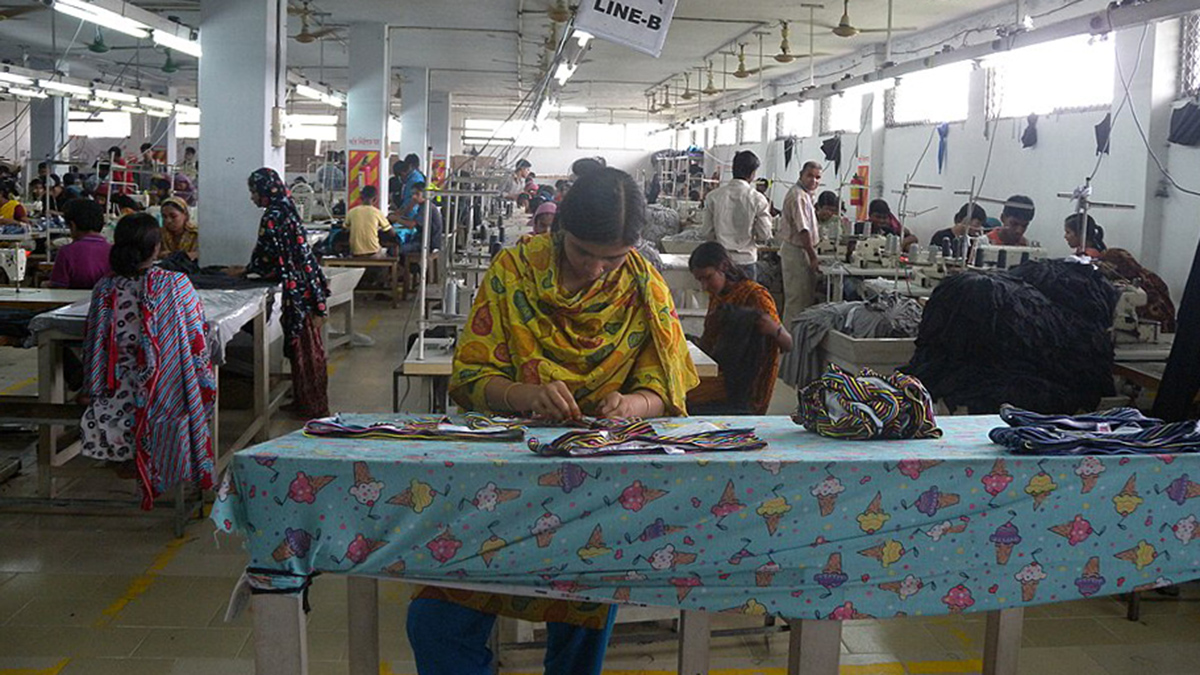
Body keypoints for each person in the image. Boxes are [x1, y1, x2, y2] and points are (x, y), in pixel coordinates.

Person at [408, 167, 699, 675]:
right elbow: (471, 376)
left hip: (596, 482)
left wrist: (631, 405)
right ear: (562, 228)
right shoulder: (515, 272)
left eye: (614, 258)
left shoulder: (642, 286)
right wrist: (525, 395)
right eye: (584, 252)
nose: (597, 269)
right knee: (436, 620)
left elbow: (666, 389)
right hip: (502, 478)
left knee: (583, 617)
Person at [80, 212, 215, 510]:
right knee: (187, 387)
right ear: (156, 248)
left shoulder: (105, 288)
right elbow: (197, 336)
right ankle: (166, 467)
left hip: (113, 399)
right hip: (164, 396)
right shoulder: (175, 285)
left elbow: (92, 343)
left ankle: (128, 461)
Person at [245, 167, 330, 418]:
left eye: (254, 191)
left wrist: (247, 271)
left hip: (298, 291)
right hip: (307, 285)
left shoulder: (272, 215)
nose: (252, 197)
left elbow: (267, 256)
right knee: (305, 350)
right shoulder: (287, 208)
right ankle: (307, 401)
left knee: (304, 350)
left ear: (265, 190)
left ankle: (313, 408)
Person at [687, 242, 792, 415]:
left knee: (678, 397)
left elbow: (788, 344)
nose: (704, 286)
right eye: (700, 280)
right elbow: (709, 342)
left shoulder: (756, 296)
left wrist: (774, 329)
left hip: (746, 390)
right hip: (724, 375)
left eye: (708, 277)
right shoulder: (718, 296)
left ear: (724, 266)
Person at [699, 150, 772, 274]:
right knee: (747, 288)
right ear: (752, 174)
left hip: (721, 260)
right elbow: (764, 234)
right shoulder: (758, 199)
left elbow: (706, 232)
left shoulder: (713, 196)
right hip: (746, 260)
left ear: (733, 169)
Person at [779, 161, 822, 326]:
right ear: (801, 175)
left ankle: (797, 337)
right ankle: (790, 339)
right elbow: (803, 230)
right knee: (797, 301)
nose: (814, 180)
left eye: (817, 177)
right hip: (797, 252)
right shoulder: (798, 196)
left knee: (803, 299)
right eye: (810, 176)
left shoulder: (806, 195)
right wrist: (813, 257)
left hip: (801, 250)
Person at [49, 199, 111, 289]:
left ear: (73, 225)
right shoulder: (113, 250)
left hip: (73, 298)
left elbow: (58, 287)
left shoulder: (67, 252)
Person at [394, 182, 443, 254]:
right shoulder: (423, 206)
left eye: (417, 194)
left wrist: (396, 219)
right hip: (422, 239)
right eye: (412, 194)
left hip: (428, 243)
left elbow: (411, 224)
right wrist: (411, 205)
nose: (414, 197)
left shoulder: (426, 207)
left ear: (425, 195)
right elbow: (410, 218)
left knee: (394, 250)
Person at [346, 185, 393, 258]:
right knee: (387, 254)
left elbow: (344, 229)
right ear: (375, 199)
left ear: (361, 198)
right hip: (373, 253)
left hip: (355, 253)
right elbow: (391, 232)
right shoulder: (377, 213)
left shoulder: (351, 212)